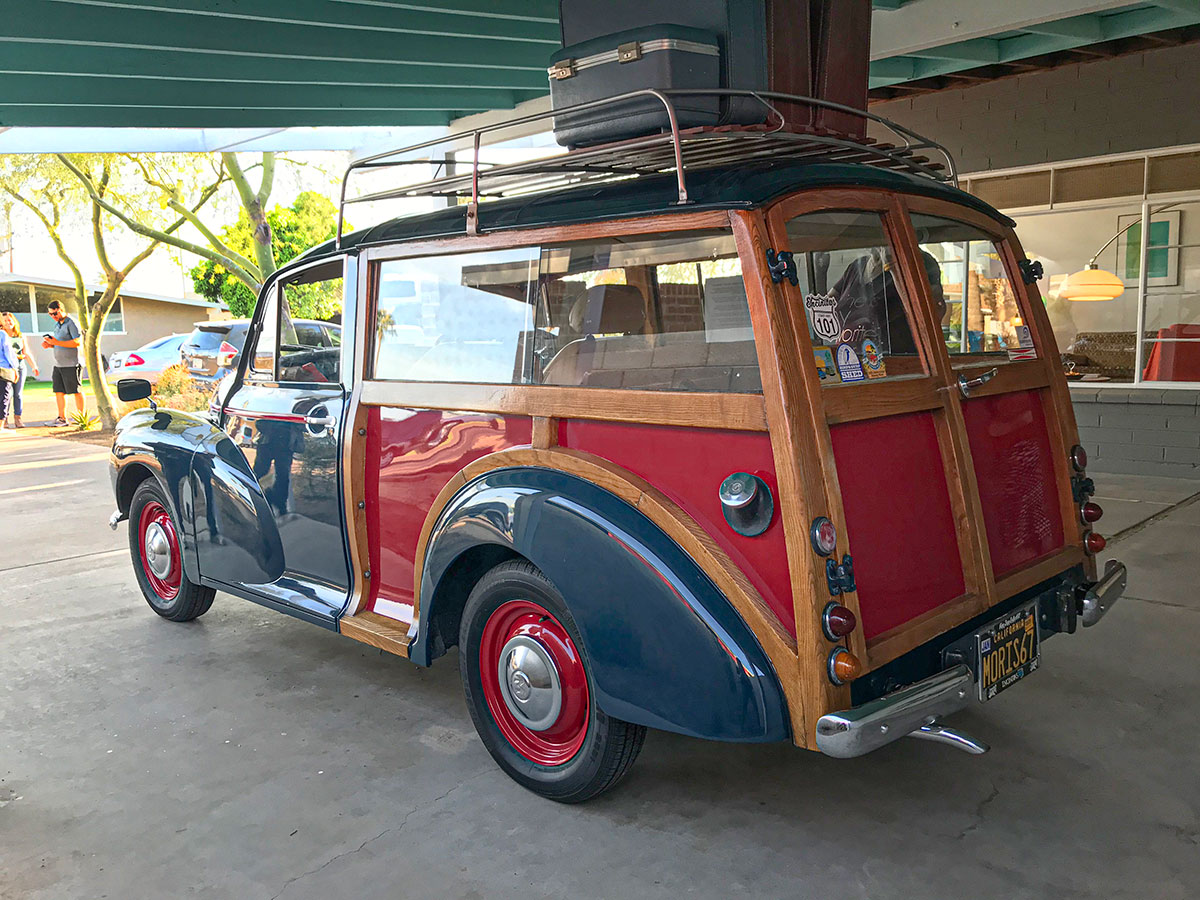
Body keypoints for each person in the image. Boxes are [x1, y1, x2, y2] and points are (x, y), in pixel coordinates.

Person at [41, 300, 86, 426]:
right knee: (59, 391)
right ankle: (62, 418)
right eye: (50, 314)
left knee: (76, 390)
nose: (53, 316)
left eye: (55, 313)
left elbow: (77, 342)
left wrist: (56, 343)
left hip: (72, 363)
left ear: (61, 309)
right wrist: (50, 344)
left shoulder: (71, 323)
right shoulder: (57, 325)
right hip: (59, 364)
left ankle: (82, 419)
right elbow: (59, 343)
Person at [1, 312, 40, 428]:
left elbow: (26, 353)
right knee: (5, 394)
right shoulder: (2, 335)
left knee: (17, 394)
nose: (8, 322)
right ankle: (4, 419)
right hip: (6, 369)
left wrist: (34, 366)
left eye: (10, 320)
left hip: (20, 366)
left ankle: (18, 418)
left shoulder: (20, 336)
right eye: (5, 320)